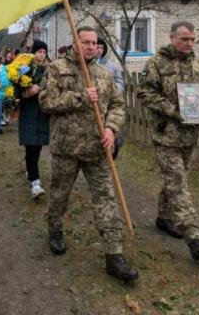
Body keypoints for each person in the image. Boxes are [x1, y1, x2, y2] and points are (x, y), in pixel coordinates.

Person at [39, 26, 138, 283]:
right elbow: (46, 102)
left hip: (97, 149)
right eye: (86, 42)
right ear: (75, 42)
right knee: (60, 194)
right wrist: (81, 96)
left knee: (106, 198)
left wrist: (111, 128)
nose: (91, 47)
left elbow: (117, 105)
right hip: (66, 148)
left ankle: (114, 255)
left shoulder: (104, 74)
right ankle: (55, 229)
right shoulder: (57, 68)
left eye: (94, 43)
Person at [137, 21, 199, 261]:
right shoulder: (157, 63)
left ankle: (164, 218)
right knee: (178, 183)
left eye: (193, 39)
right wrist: (173, 110)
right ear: (172, 38)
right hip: (167, 135)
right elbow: (144, 92)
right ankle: (194, 237)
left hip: (190, 136)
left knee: (174, 180)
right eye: (184, 39)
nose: (189, 43)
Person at [18, 40, 50, 199]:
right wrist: (26, 93)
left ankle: (31, 170)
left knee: (37, 146)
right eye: (39, 52)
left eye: (44, 52)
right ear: (33, 53)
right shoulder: (24, 68)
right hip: (29, 111)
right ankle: (35, 183)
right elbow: (17, 90)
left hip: (43, 113)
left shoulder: (49, 70)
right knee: (30, 145)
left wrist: (42, 89)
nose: (41, 55)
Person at [95, 38, 125, 159]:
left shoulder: (111, 66)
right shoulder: (86, 64)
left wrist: (113, 91)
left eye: (102, 48)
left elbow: (119, 81)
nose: (99, 50)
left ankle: (113, 151)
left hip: (108, 103)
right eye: (98, 47)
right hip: (93, 102)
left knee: (113, 131)